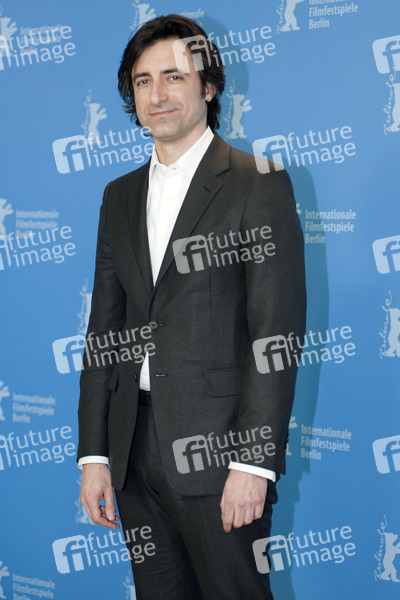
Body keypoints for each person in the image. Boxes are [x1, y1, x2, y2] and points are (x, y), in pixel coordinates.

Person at [77, 14, 306, 600]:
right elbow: (105, 330)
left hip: (220, 454)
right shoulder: (118, 195)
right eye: (143, 80)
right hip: (132, 449)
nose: (157, 94)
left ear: (209, 86)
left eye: (174, 76)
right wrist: (95, 453)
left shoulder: (258, 183)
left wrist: (253, 464)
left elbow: (275, 332)